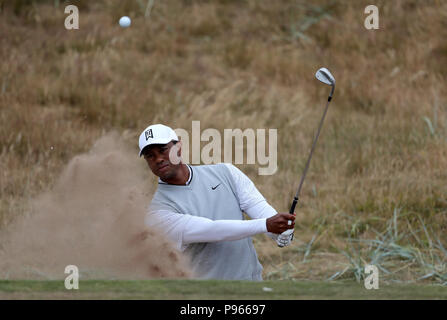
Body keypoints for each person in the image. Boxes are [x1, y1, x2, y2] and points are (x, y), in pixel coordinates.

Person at [139, 124, 295, 280]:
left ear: (178, 147)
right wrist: (266, 225)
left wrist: (279, 232)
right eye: (150, 155)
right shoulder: (158, 212)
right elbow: (212, 230)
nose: (158, 159)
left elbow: (257, 206)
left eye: (163, 150)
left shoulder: (226, 172)